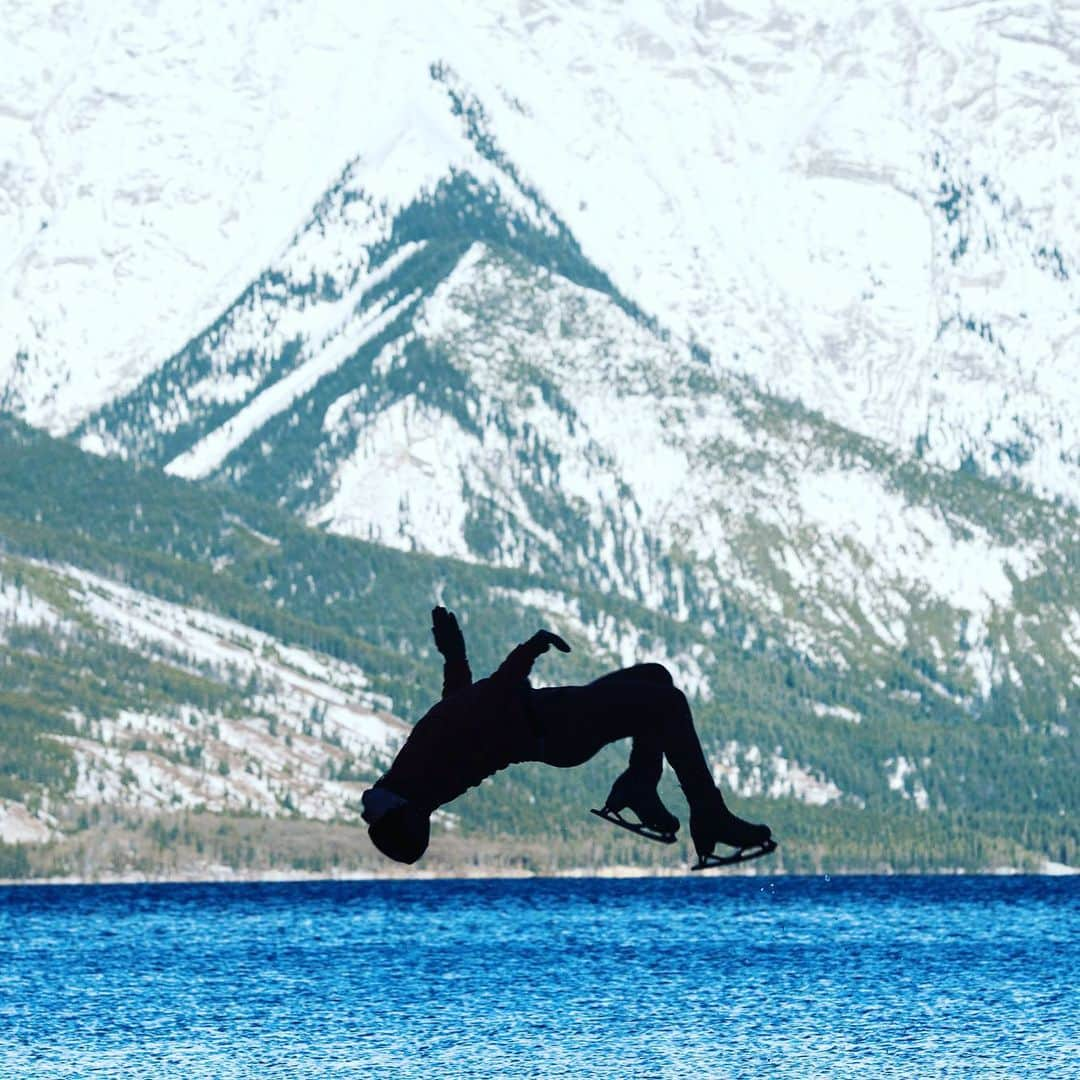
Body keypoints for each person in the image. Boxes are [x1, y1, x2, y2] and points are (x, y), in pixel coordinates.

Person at [361, 606, 775, 870]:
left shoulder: (416, 778)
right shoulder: (421, 782)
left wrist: (455, 655)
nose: (426, 822)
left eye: (419, 828)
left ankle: (640, 785)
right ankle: (708, 814)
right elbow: (484, 707)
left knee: (655, 678)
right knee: (665, 702)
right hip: (558, 728)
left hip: (555, 719)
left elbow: (461, 707)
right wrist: (527, 651)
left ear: (404, 817)